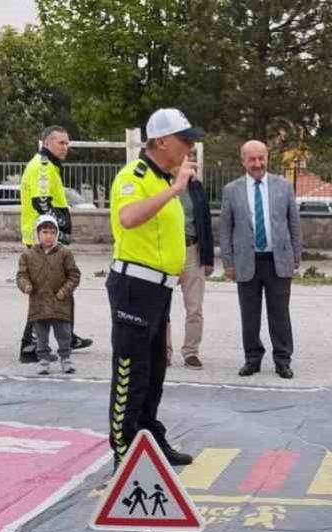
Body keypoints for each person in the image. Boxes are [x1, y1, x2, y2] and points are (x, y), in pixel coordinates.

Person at [105, 108, 203, 469]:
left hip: (159, 290)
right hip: (134, 286)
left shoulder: (163, 179)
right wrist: (176, 189)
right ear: (161, 141)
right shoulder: (135, 175)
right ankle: (122, 449)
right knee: (131, 371)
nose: (190, 147)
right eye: (185, 140)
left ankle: (149, 435)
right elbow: (128, 218)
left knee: (155, 371)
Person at [218, 140, 302, 379]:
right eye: (252, 159)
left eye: (261, 158)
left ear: (267, 158)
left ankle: (282, 360)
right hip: (247, 261)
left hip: (278, 260)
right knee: (249, 314)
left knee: (280, 314)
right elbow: (225, 229)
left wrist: (296, 254)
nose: (257, 163)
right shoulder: (231, 190)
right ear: (243, 160)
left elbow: (293, 222)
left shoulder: (284, 186)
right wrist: (228, 262)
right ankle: (252, 359)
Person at [19, 125, 93, 362]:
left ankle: (67, 336)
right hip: (43, 244)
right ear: (47, 143)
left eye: (67, 143)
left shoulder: (49, 167)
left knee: (62, 291)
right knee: (43, 294)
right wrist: (54, 237)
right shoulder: (42, 167)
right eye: (61, 143)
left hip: (47, 241)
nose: (66, 147)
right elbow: (42, 204)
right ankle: (29, 347)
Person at [16, 215, 82, 376]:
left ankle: (65, 359)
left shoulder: (65, 253)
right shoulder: (28, 255)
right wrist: (26, 286)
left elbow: (74, 275)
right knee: (41, 334)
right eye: (45, 232)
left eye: (52, 232)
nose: (48, 236)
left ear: (57, 234)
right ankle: (43, 360)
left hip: (60, 302)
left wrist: (64, 291)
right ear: (37, 234)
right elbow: (21, 275)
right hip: (39, 302)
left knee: (64, 333)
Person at [166, 164, 215, 369]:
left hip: (192, 249)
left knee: (194, 307)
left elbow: (205, 220)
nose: (189, 165)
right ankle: (163, 352)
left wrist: (208, 257)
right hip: (166, 251)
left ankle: (191, 352)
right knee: (161, 307)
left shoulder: (196, 187)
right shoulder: (160, 184)